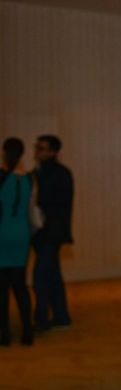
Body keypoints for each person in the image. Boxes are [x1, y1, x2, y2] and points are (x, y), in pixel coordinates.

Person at [32, 134, 73, 331]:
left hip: (51, 233)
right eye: (36, 147)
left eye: (41, 148)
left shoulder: (59, 174)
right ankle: (61, 317)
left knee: (41, 276)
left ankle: (41, 320)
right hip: (44, 233)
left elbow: (52, 203)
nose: (37, 152)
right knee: (52, 275)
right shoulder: (40, 172)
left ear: (53, 152)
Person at [0, 138, 37, 346]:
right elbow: (32, 207)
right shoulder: (29, 178)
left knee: (2, 289)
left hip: (2, 232)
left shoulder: (1, 176)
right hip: (21, 233)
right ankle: (27, 332)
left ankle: (4, 334)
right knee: (20, 286)